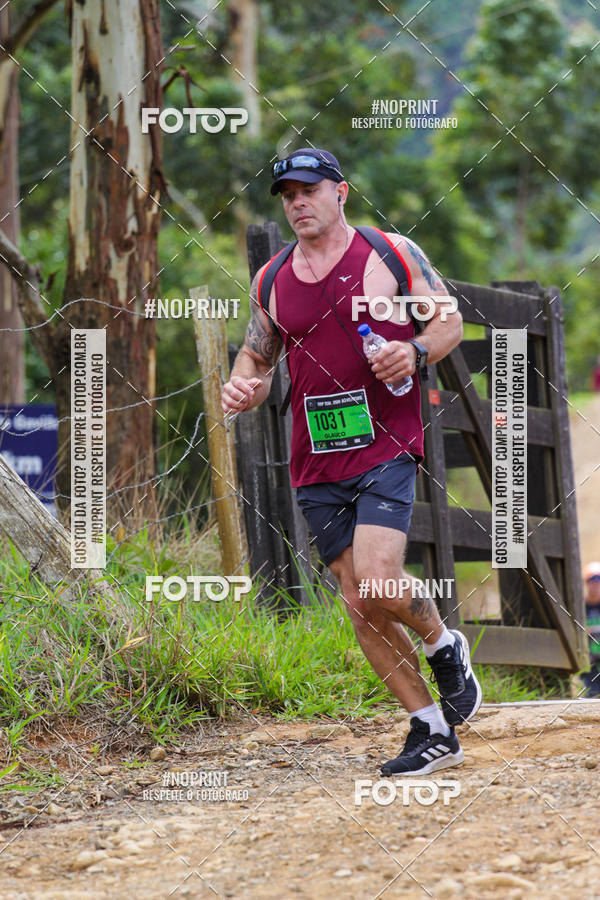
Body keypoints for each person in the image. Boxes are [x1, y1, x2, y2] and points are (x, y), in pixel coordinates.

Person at [221, 148, 482, 775]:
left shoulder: (390, 252)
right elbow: (255, 358)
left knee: (378, 575)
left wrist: (415, 353)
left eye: (309, 190)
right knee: (359, 602)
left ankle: (444, 644)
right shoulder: (271, 280)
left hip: (386, 441)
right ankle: (430, 728)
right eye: (287, 194)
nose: (297, 203)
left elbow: (449, 323)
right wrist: (242, 387)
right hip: (314, 457)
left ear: (342, 192)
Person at [581, 561, 600, 697]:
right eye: (591, 581)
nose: (595, 585)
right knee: (592, 692)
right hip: (589, 658)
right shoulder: (580, 607)